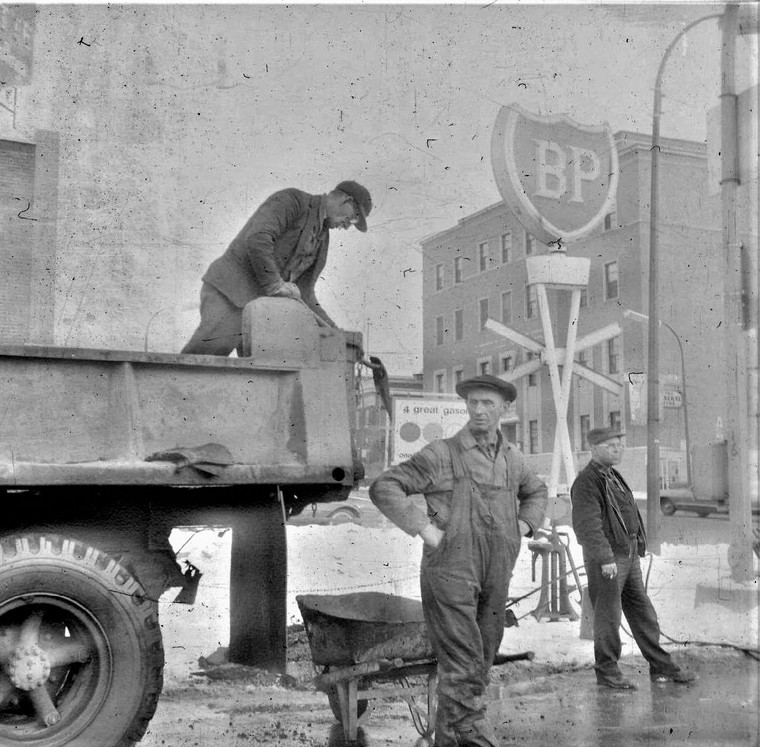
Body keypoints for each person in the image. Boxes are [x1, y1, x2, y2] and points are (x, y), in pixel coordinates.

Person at [370, 374, 547, 747]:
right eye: (473, 403)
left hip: (496, 571)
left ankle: (450, 739)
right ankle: (470, 734)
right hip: (450, 571)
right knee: (464, 661)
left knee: (481, 658)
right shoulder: (442, 454)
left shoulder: (512, 459)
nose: (479, 410)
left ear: (504, 408)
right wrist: (424, 527)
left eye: (488, 403)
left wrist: (524, 525)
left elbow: (537, 491)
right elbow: (384, 486)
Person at [570, 427, 698, 690]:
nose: (618, 449)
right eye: (610, 445)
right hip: (608, 560)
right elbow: (588, 527)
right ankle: (607, 672)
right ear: (594, 449)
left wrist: (637, 543)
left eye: (619, 444)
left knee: (642, 613)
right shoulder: (586, 481)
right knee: (608, 616)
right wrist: (605, 558)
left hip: (627, 555)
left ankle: (661, 666)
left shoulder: (613, 476)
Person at [181, 181, 372, 356]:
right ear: (346, 200)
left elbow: (304, 294)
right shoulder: (293, 201)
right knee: (205, 360)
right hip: (230, 293)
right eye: (353, 219)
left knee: (263, 373)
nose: (347, 227)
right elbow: (258, 238)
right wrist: (274, 284)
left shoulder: (322, 238)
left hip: (259, 312)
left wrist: (335, 335)